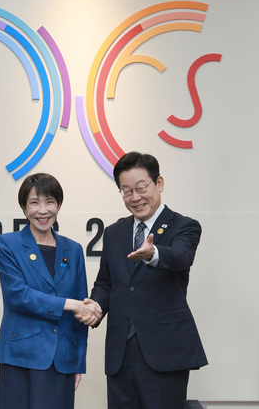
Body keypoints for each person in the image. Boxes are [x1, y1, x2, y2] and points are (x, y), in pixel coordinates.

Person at [84, 152, 208, 409]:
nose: (135, 197)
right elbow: (106, 283)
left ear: (159, 183)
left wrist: (154, 254)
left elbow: (182, 257)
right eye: (126, 191)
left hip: (164, 351)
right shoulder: (114, 232)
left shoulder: (184, 226)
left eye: (141, 188)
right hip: (120, 352)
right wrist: (96, 307)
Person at [0, 173, 100, 409]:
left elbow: (81, 316)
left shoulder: (73, 250)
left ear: (59, 205)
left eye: (49, 202)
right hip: (21, 356)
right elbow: (17, 296)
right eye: (34, 203)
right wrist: (70, 304)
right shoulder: (6, 244)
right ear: (24, 207)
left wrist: (78, 363)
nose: (43, 211)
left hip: (62, 359)